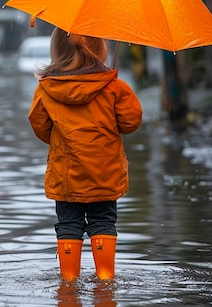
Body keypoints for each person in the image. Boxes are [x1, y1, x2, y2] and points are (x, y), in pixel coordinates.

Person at [28, 27, 143, 281]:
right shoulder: (114, 87)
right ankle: (105, 280)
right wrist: (120, 94)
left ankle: (69, 283)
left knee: (68, 224)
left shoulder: (46, 89)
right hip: (105, 174)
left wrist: (63, 140)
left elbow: (39, 126)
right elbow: (131, 123)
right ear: (101, 49)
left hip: (66, 176)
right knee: (103, 222)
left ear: (57, 50)